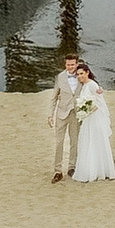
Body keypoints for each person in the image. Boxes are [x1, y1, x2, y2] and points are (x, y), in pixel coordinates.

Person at [69, 62, 115, 183]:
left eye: (81, 74)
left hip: (95, 118)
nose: (79, 76)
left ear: (87, 72)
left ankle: (99, 171)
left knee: (95, 142)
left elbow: (99, 103)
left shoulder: (92, 85)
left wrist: (86, 112)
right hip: (88, 119)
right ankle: (91, 169)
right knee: (88, 142)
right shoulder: (84, 86)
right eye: (78, 75)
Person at [47, 54, 82, 183]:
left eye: (72, 64)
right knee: (59, 143)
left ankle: (72, 167)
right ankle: (57, 171)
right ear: (65, 64)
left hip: (76, 113)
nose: (70, 67)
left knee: (74, 142)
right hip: (61, 113)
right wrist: (50, 114)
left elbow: (89, 88)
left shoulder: (82, 74)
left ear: (77, 64)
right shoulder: (60, 77)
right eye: (68, 65)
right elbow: (54, 97)